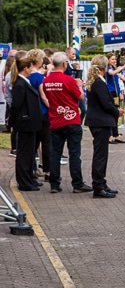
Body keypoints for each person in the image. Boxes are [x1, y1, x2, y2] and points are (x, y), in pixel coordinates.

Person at [43, 52, 92, 194]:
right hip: (71, 120)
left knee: (55, 153)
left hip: (55, 120)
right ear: (64, 64)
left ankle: (54, 184)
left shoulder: (46, 81)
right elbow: (81, 97)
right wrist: (79, 86)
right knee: (74, 153)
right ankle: (77, 183)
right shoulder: (68, 80)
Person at [84, 55, 120, 198]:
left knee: (101, 154)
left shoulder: (95, 81)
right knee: (100, 155)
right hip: (100, 121)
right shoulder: (98, 82)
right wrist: (116, 111)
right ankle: (98, 185)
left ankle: (101, 183)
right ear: (105, 68)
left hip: (97, 120)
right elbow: (105, 103)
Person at [8, 55, 42, 191]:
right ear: (26, 68)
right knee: (24, 154)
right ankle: (24, 182)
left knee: (28, 154)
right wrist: (12, 120)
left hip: (29, 122)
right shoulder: (20, 84)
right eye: (30, 68)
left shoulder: (24, 82)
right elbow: (17, 105)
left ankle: (28, 179)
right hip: (25, 122)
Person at [27, 49, 51, 183]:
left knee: (33, 144)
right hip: (43, 113)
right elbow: (44, 97)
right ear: (39, 60)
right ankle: (48, 171)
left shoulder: (27, 76)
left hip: (31, 113)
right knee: (46, 142)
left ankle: (31, 169)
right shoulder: (40, 78)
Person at [105, 53, 125, 144]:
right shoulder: (108, 69)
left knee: (116, 114)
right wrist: (123, 66)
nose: (114, 61)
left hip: (116, 93)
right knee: (112, 114)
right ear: (108, 60)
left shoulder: (114, 69)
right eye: (112, 59)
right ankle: (109, 136)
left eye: (115, 59)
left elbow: (122, 78)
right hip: (110, 93)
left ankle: (116, 135)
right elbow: (112, 73)